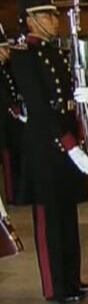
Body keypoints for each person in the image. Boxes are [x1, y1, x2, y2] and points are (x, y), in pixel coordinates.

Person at [11, 0, 88, 304]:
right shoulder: (23, 57)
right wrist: (69, 143)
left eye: (53, 13)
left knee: (67, 218)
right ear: (30, 20)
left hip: (65, 143)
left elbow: (63, 100)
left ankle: (72, 278)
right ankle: (55, 286)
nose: (54, 19)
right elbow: (40, 106)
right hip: (45, 146)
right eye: (47, 14)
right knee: (49, 223)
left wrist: (79, 97)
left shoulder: (57, 54)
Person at [0, 29, 25, 205]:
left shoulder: (7, 69)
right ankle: (12, 194)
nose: (8, 52)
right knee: (8, 159)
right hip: (3, 121)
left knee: (16, 157)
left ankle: (18, 191)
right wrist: (12, 109)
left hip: (12, 120)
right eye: (5, 49)